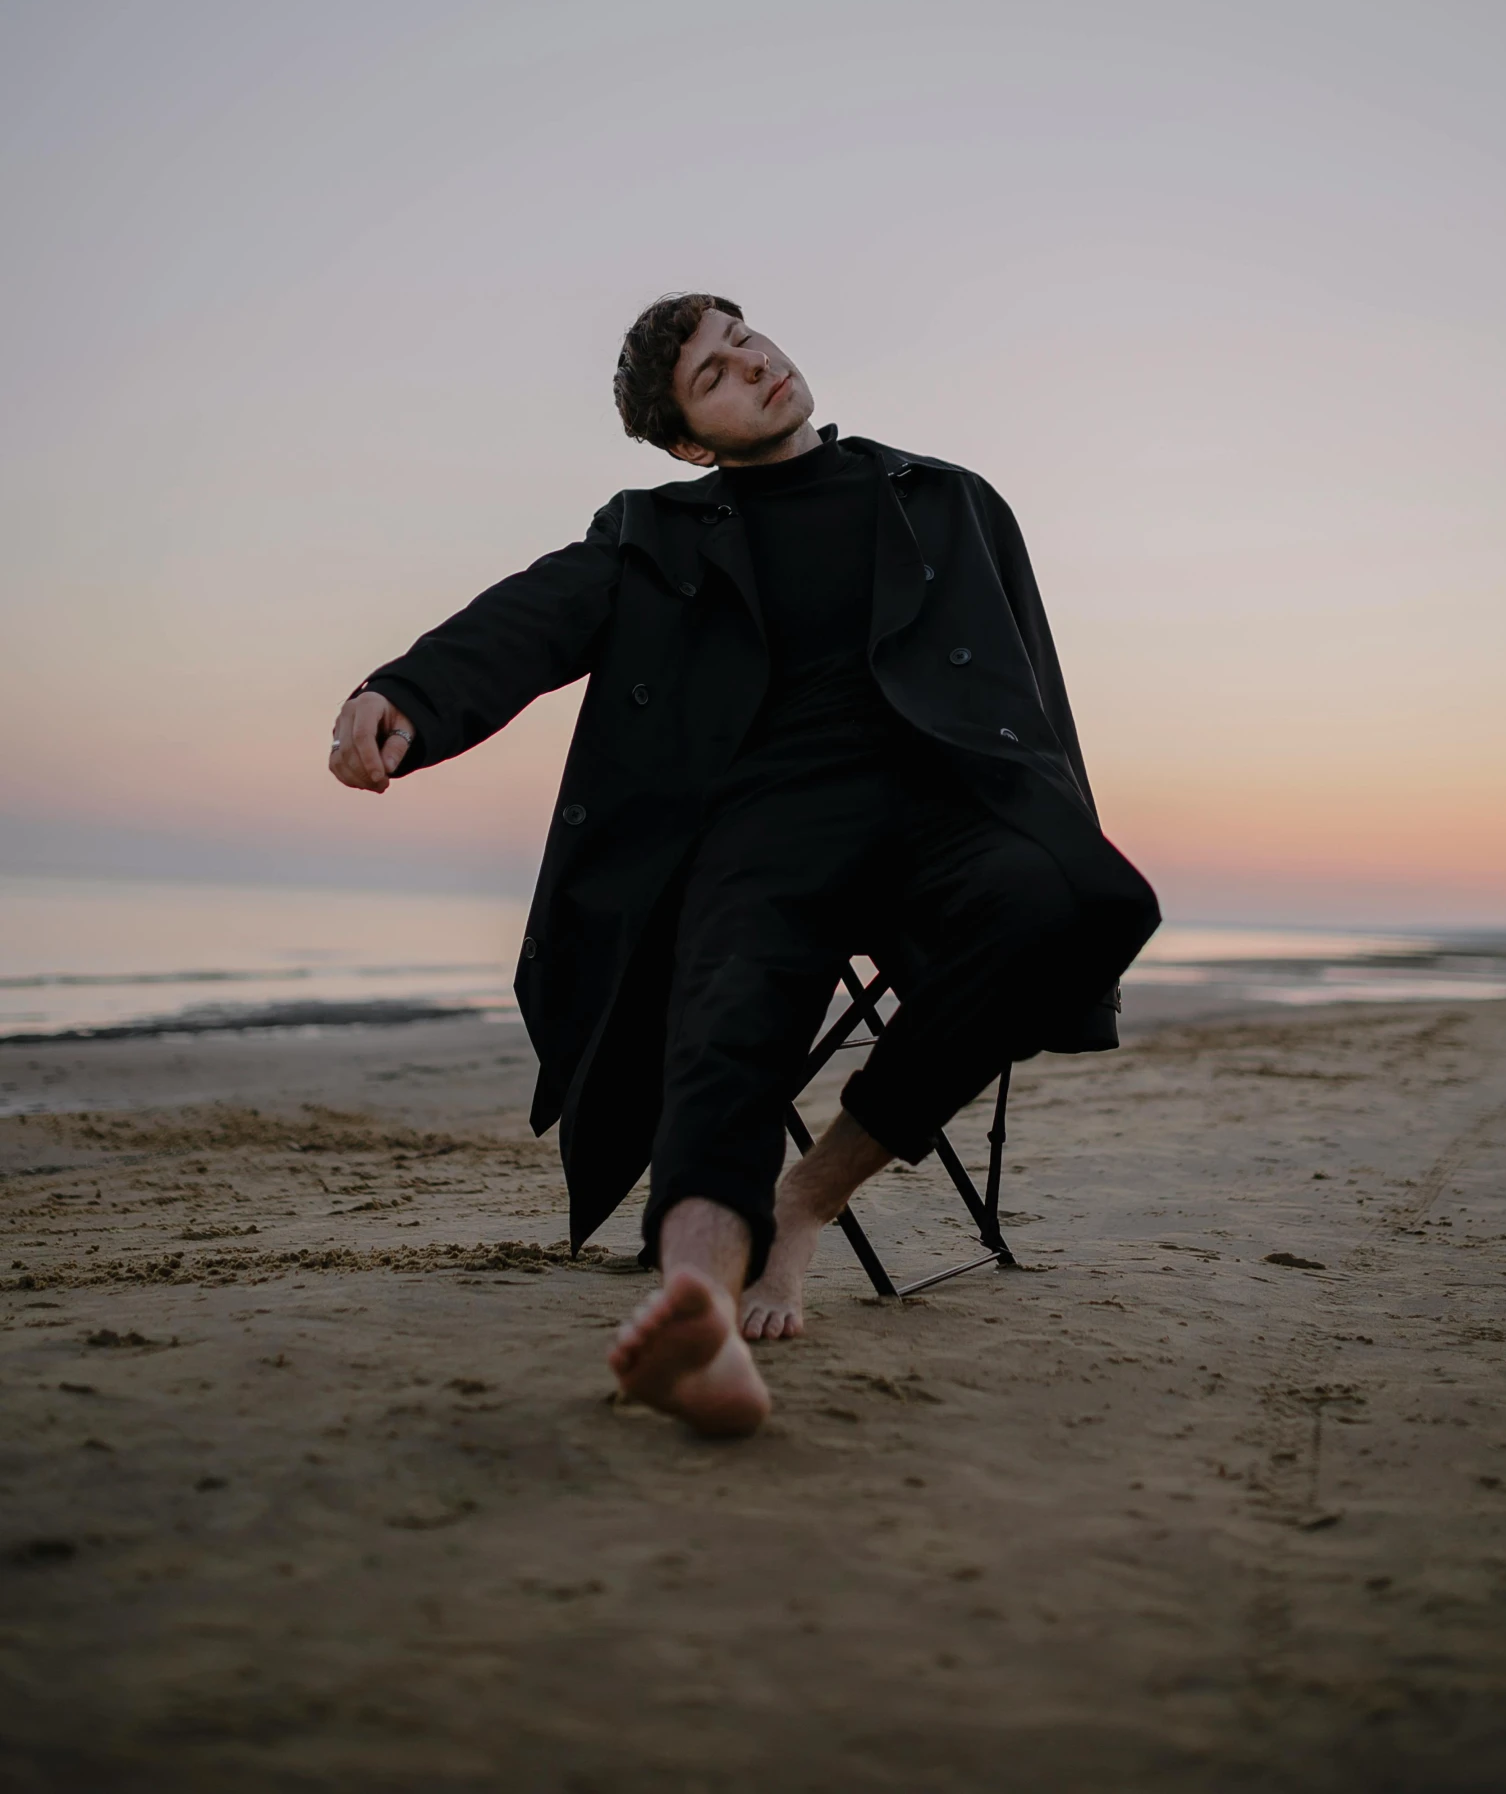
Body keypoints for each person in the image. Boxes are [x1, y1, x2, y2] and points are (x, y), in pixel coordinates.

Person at [329, 295, 1158, 1436]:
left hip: (940, 808)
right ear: (689, 441)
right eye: (715, 374)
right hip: (763, 822)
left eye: (746, 338)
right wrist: (405, 696)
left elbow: (1031, 692)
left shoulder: (944, 497)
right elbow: (533, 617)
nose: (753, 363)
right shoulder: (653, 531)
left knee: (1085, 897)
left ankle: (804, 1204)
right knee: (726, 1011)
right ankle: (698, 1309)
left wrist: (1055, 820)